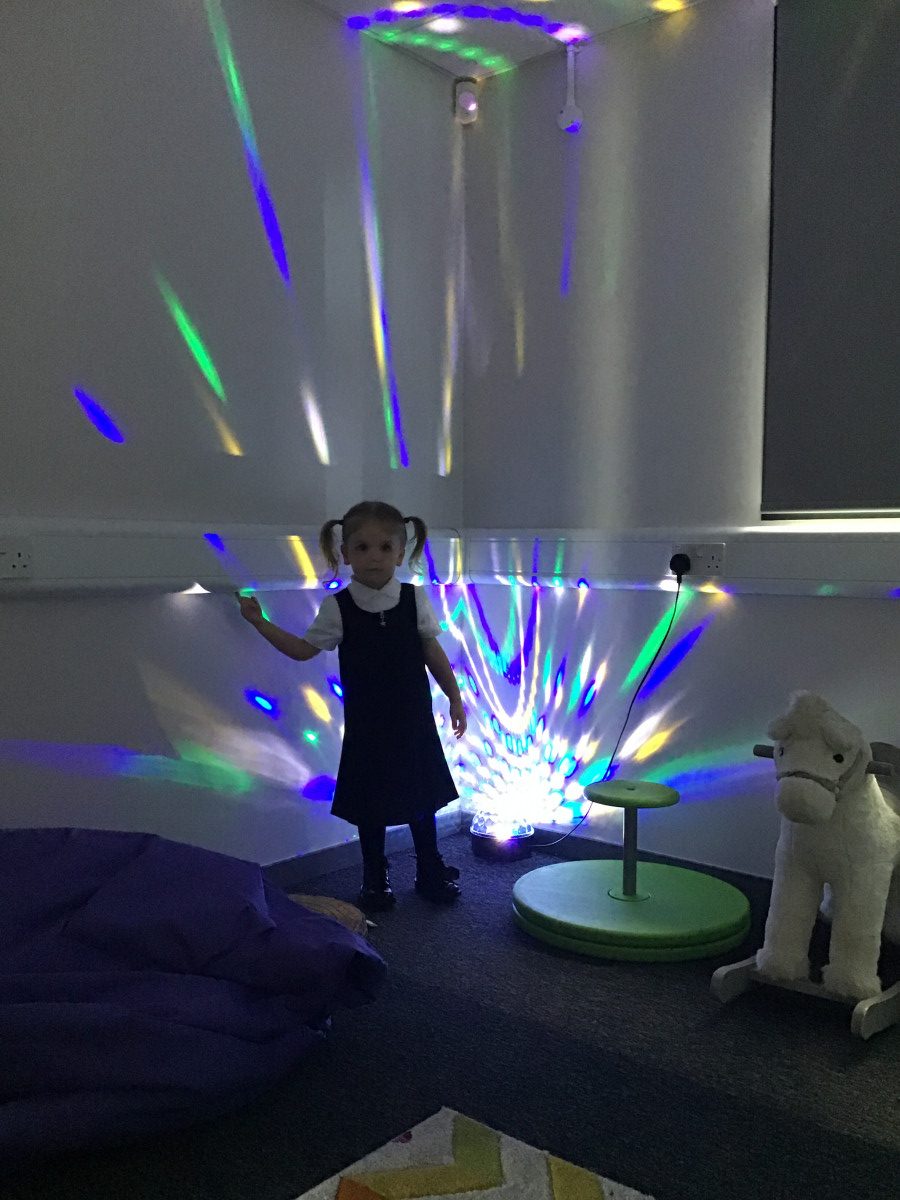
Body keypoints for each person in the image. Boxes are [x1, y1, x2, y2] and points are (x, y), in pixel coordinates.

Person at [237, 501, 466, 911]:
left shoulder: (414, 599)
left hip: (413, 724)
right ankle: (374, 880)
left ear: (400, 553)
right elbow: (303, 650)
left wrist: (455, 697)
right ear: (345, 554)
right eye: (362, 547)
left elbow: (432, 652)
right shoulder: (338, 607)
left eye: (384, 547)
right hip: (367, 727)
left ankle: (429, 871)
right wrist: (259, 622)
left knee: (421, 797)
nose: (373, 556)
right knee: (370, 805)